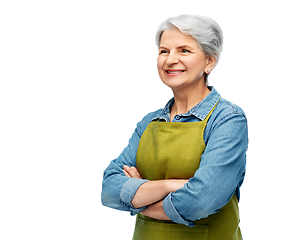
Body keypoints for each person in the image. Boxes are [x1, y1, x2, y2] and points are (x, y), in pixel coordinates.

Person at [101, 14, 248, 240]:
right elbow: (109, 189)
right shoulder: (149, 123)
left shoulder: (227, 119)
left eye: (184, 50)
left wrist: (139, 198)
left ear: (209, 61)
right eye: (163, 51)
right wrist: (168, 185)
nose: (170, 60)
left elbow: (201, 201)